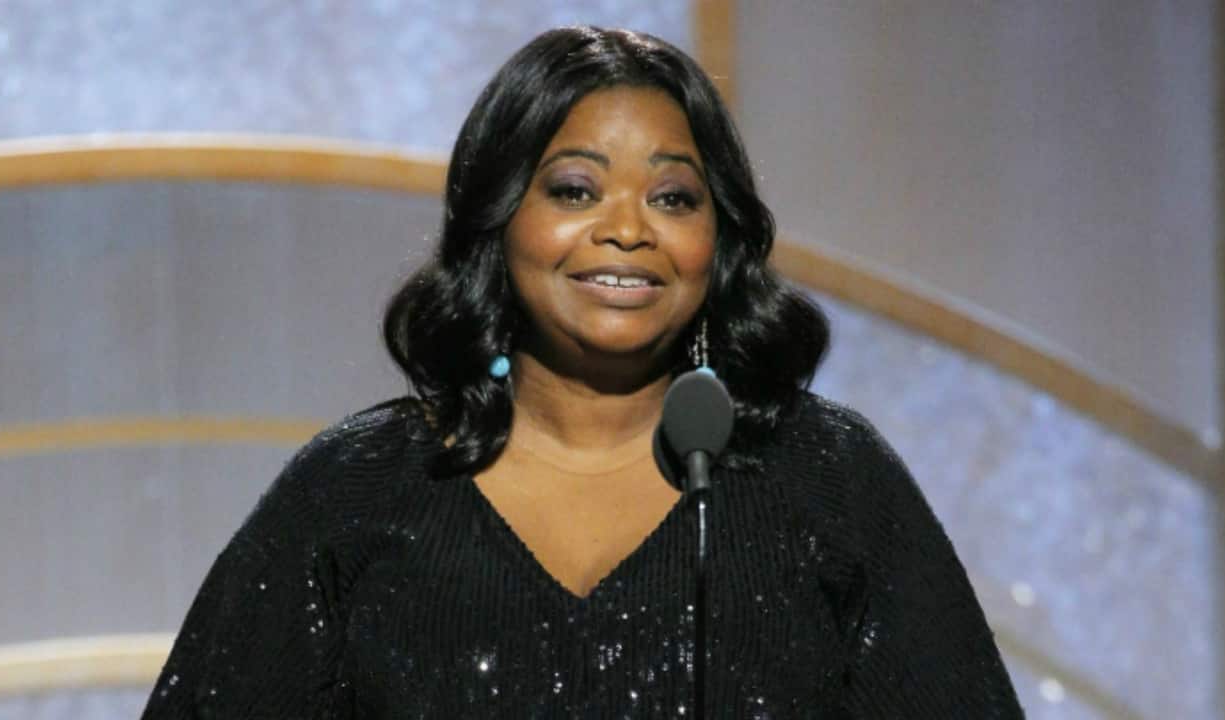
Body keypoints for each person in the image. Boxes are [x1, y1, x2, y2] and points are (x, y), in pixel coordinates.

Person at [142, 26, 1024, 718]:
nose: (628, 230)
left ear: (716, 242)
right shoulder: (357, 493)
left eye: (673, 198)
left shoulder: (827, 483)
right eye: (574, 189)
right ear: (499, 218)